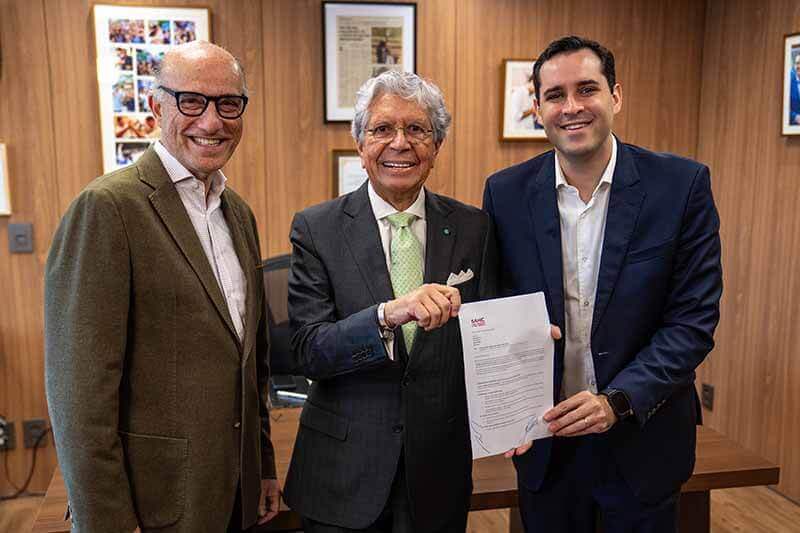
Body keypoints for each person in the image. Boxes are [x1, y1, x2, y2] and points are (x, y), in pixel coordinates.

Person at [483, 35, 722, 532]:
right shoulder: (504, 194)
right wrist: (502, 406)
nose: (571, 107)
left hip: (644, 438)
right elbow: (496, 306)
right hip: (546, 444)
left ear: (615, 96)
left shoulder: (681, 187)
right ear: (537, 107)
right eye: (555, 95)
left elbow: (692, 322)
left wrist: (617, 402)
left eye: (587, 89)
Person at [45, 41, 279, 533]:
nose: (212, 121)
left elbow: (250, 366)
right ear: (156, 107)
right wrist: (106, 522)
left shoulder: (238, 213)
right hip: (152, 507)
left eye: (228, 103)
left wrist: (262, 468)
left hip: (231, 494)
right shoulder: (107, 208)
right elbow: (80, 398)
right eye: (191, 101)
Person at [283, 70, 495, 532]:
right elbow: (308, 350)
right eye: (382, 129)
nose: (400, 143)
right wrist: (386, 315)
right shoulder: (316, 229)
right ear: (360, 144)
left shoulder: (474, 228)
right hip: (342, 475)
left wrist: (526, 345)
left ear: (436, 146)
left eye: (417, 129)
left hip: (437, 475)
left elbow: (488, 331)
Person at [789, 53, 800, 126]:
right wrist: (795, 117)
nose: (799, 66)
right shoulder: (788, 80)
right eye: (797, 63)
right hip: (792, 128)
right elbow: (781, 107)